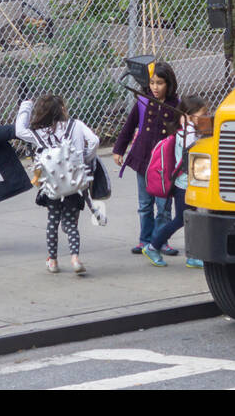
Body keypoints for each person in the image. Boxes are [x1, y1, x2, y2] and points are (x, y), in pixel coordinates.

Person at [15, 93, 100, 274]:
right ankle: (75, 258)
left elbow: (19, 130)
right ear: (62, 109)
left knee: (52, 222)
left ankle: (52, 261)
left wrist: (26, 106)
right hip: (74, 184)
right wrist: (82, 158)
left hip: (53, 186)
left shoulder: (39, 133)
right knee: (71, 223)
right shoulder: (76, 125)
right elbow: (94, 141)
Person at [112, 61, 180, 255]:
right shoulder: (143, 100)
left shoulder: (176, 105)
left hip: (164, 163)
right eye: (152, 82)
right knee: (145, 204)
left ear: (169, 83)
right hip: (143, 159)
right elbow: (129, 125)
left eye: (160, 83)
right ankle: (145, 240)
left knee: (163, 206)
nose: (155, 87)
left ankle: (161, 241)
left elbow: (183, 132)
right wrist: (119, 149)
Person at [141, 95, 207, 268]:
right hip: (185, 185)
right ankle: (153, 246)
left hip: (187, 184)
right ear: (188, 116)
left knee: (189, 219)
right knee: (182, 219)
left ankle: (192, 255)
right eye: (201, 114)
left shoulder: (185, 132)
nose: (204, 118)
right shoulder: (188, 134)